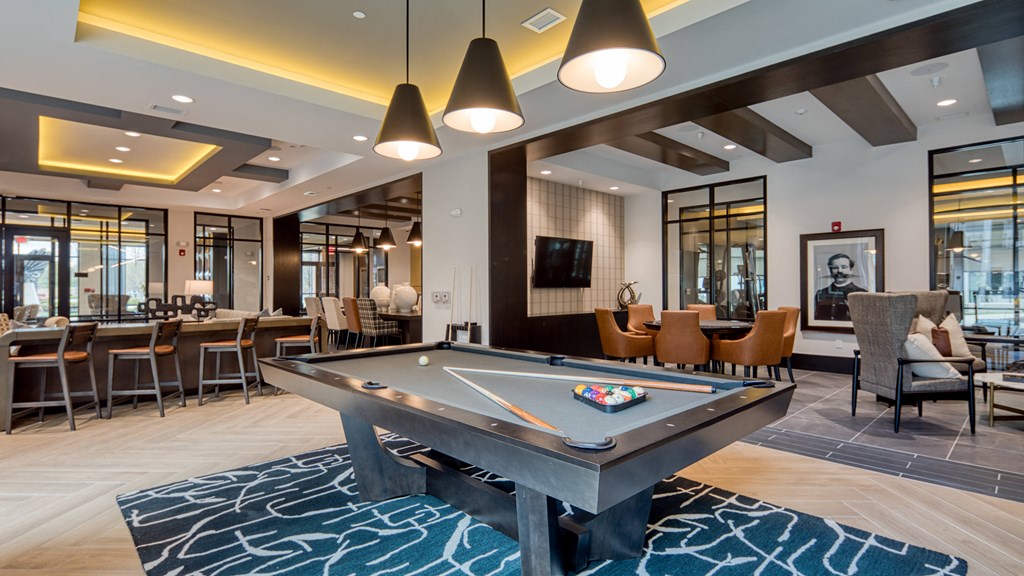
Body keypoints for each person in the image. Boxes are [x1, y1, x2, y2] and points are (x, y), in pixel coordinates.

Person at [814, 253, 867, 321]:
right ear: (830, 270)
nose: (839, 271)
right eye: (835, 267)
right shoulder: (821, 293)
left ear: (851, 270)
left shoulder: (862, 294)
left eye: (844, 267)